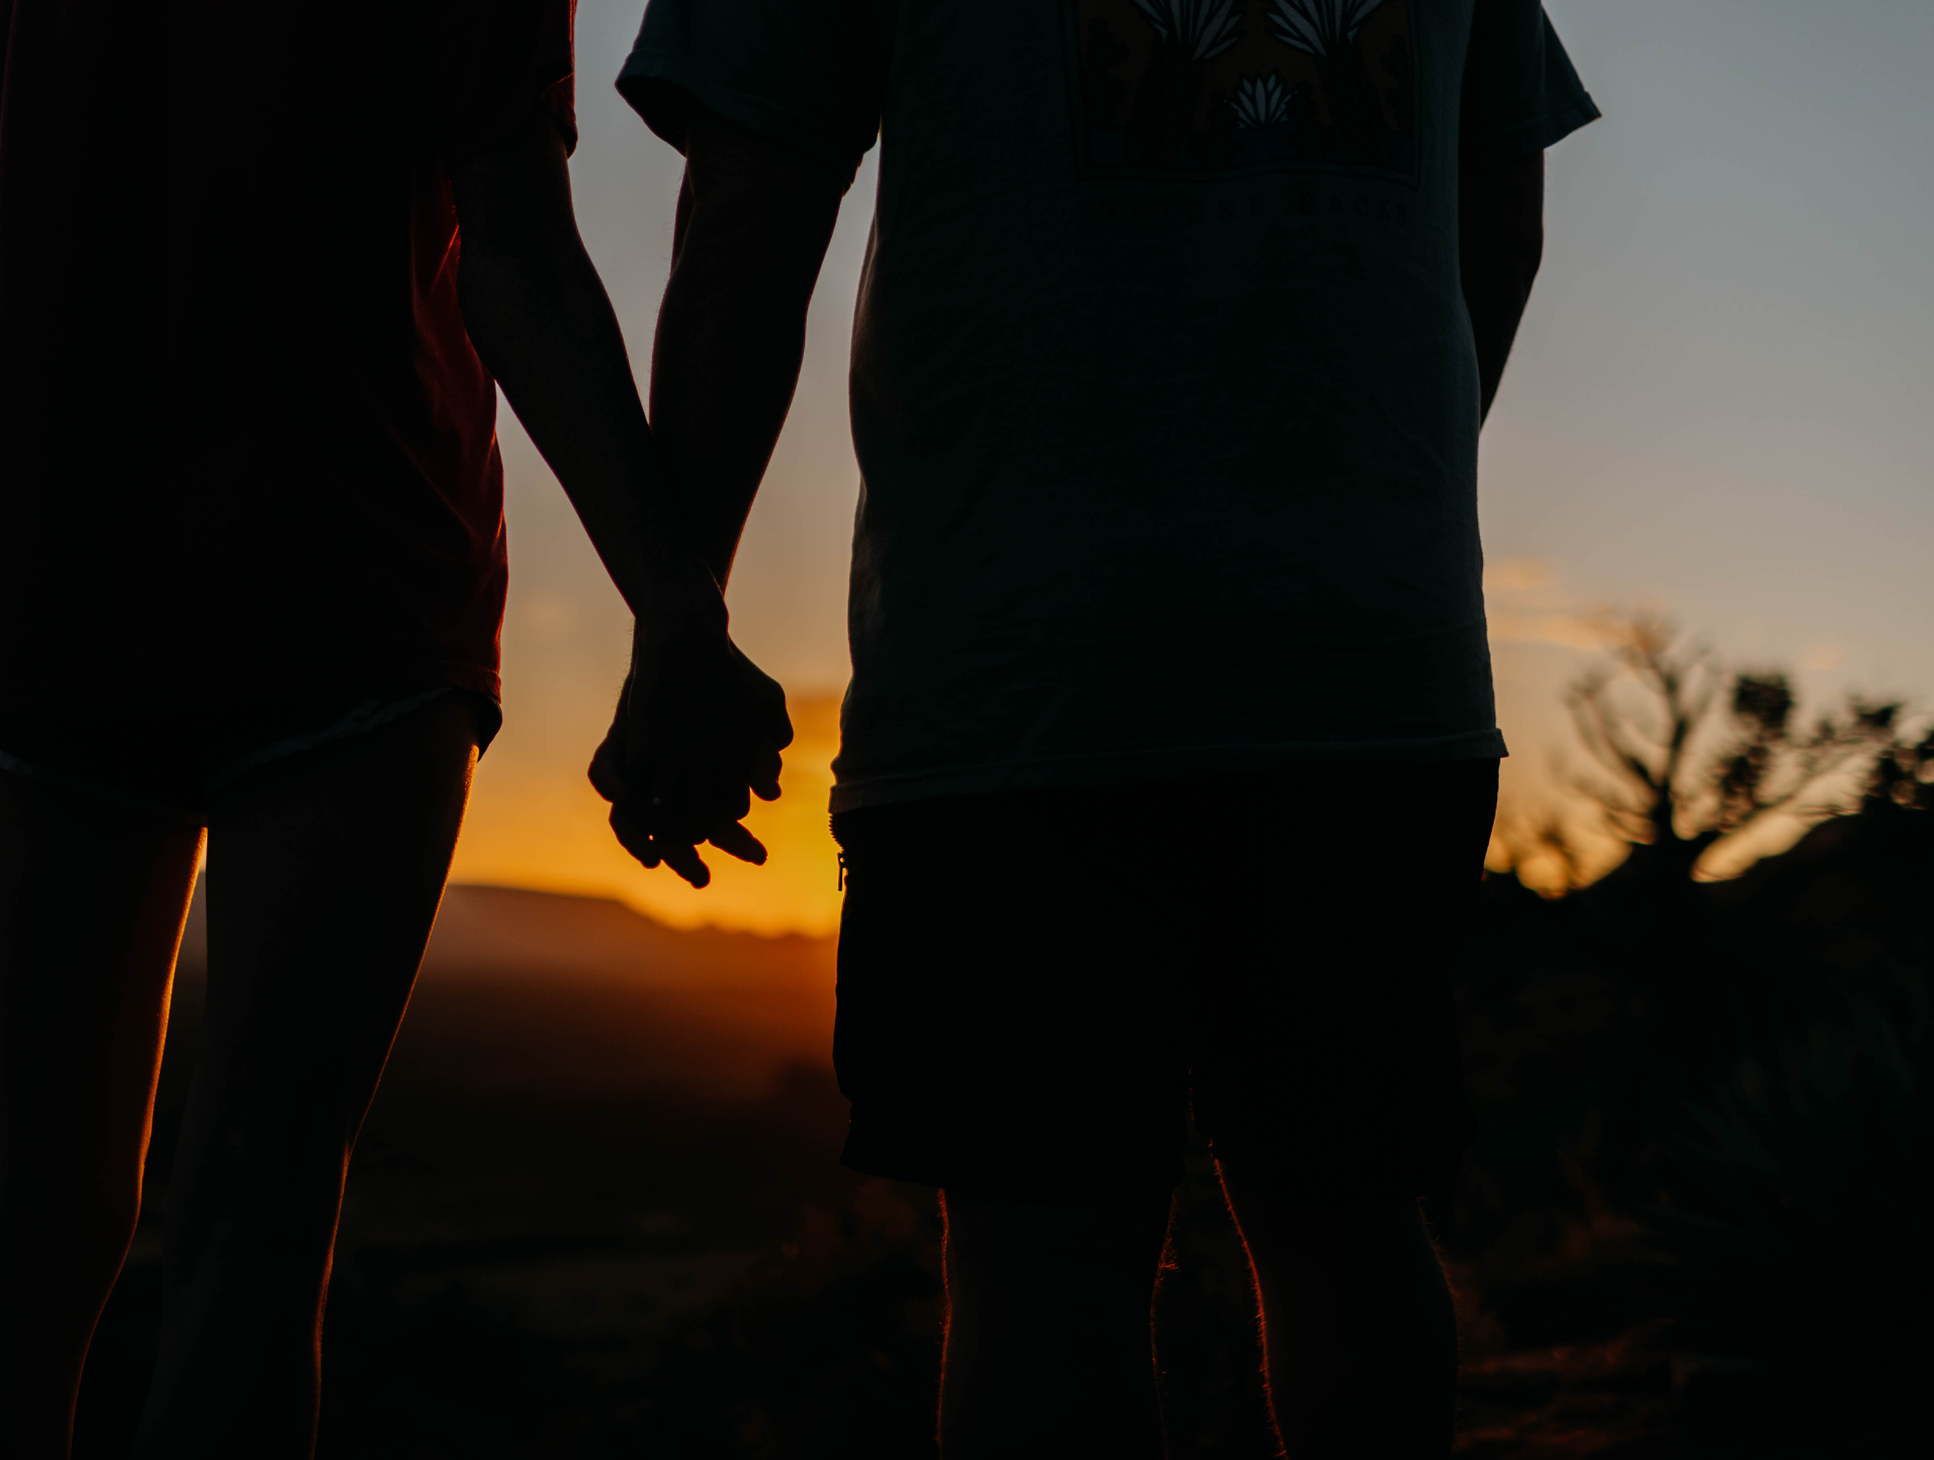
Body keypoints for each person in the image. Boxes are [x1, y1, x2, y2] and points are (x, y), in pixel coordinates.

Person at [599, 1, 1595, 1454]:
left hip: (1017, 660)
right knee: (1349, 1228)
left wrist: (679, 615)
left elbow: (751, 208)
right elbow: (1497, 183)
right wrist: (1367, 473)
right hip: (1365, 663)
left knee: (1037, 1264)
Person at [0, 2, 787, 1455]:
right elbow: (514, 259)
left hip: (67, 599)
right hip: (351, 603)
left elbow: (55, 222)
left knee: (45, 1229)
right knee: (255, 1236)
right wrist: (677, 608)